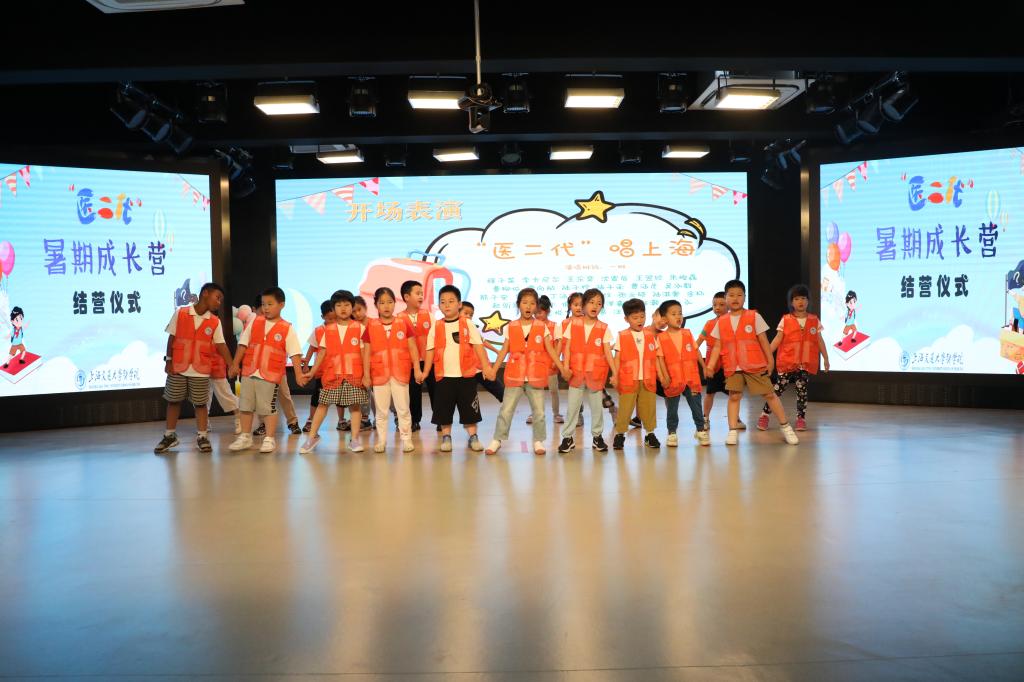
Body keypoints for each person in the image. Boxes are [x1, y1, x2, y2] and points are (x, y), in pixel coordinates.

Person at [705, 280, 799, 446]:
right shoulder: (721, 321)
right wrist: (710, 365)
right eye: (731, 295)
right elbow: (717, 346)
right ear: (726, 298)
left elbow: (763, 340)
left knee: (769, 394)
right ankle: (732, 430)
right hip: (733, 366)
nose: (735, 298)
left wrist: (770, 360)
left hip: (754, 364)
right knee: (734, 396)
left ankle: (785, 427)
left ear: (745, 297)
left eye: (739, 295)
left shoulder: (754, 316)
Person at [154, 283, 236, 454]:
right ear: (205, 293)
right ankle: (169, 435)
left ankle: (202, 436)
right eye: (217, 298)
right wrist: (169, 360)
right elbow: (172, 337)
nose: (219, 302)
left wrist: (232, 364)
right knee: (173, 401)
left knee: (200, 404)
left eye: (221, 300)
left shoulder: (214, 321)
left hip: (200, 369)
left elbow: (221, 345)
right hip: (178, 366)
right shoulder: (181, 313)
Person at [484, 288, 567, 456]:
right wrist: (493, 369)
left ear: (536, 306)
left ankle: (538, 440)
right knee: (506, 409)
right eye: (524, 303)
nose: (528, 306)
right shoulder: (511, 326)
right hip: (515, 375)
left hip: (536, 375)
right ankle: (497, 439)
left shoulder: (542, 327)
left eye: (532, 303)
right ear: (518, 305)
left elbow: (551, 350)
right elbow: (504, 350)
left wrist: (562, 367)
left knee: (539, 411)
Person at [228, 287, 308, 453]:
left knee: (268, 408)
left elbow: (294, 353)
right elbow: (243, 344)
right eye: (263, 304)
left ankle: (269, 439)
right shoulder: (255, 322)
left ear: (281, 305)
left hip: (270, 375)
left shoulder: (286, 328)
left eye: (270, 304)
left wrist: (299, 374)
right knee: (245, 406)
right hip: (249, 371)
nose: (265, 308)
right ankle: (245, 437)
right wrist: (235, 364)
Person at [417, 285, 494, 453]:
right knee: (444, 410)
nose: (447, 305)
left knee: (470, 409)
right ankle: (446, 437)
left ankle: (473, 437)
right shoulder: (436, 326)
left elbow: (478, 346)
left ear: (459, 304)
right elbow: (430, 350)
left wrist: (486, 367)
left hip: (466, 376)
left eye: (451, 301)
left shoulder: (467, 324)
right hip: (444, 376)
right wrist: (425, 372)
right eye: (443, 302)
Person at [299, 290, 371, 454]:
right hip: (332, 375)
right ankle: (311, 437)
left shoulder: (360, 328)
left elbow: (365, 354)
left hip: (354, 375)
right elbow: (322, 353)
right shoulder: (328, 330)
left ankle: (354, 439)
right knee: (322, 405)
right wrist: (312, 371)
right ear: (333, 308)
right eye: (339, 305)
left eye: (346, 305)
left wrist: (367, 375)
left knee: (355, 407)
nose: (343, 308)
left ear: (352, 307)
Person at [758, 284, 830, 432]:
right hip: (787, 362)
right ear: (791, 302)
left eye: (803, 298)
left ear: (808, 301)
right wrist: (767, 355)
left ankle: (800, 419)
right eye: (796, 299)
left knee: (802, 391)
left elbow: (819, 340)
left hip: (804, 364)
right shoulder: (786, 320)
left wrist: (826, 358)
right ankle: (764, 415)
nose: (800, 301)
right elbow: (777, 339)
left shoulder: (814, 320)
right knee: (777, 390)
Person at [557, 288, 618, 454]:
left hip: (595, 375)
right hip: (576, 373)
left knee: (597, 408)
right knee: (572, 408)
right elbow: (567, 348)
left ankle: (597, 437)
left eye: (599, 303)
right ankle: (567, 438)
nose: (595, 306)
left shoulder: (603, 328)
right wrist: (565, 367)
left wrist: (615, 373)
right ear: (583, 305)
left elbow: (608, 352)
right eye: (591, 302)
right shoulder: (573, 324)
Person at [362, 287, 420, 453]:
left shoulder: (403, 323)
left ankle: (406, 439)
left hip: (400, 373)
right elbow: (366, 352)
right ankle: (381, 440)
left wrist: (417, 369)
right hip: (379, 374)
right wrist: (366, 375)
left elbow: (413, 348)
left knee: (403, 409)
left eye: (389, 302)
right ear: (376, 305)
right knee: (381, 411)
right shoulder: (371, 325)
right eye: (382, 303)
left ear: (395, 303)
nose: (386, 306)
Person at [655, 299, 709, 447]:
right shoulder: (661, 337)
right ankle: (672, 432)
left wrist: (704, 366)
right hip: (673, 379)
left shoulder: (687, 333)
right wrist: (664, 376)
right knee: (672, 408)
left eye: (680, 313)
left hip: (691, 377)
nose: (678, 316)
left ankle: (700, 430)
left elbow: (696, 350)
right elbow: (660, 358)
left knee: (696, 405)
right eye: (673, 314)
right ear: (665, 319)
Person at [612, 298, 664, 450]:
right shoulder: (622, 335)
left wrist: (661, 376)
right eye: (635, 318)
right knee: (625, 408)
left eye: (642, 316)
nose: (640, 320)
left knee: (648, 407)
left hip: (648, 378)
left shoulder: (650, 335)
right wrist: (615, 375)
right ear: (626, 319)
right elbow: (617, 358)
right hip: (628, 379)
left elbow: (656, 357)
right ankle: (620, 434)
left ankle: (650, 434)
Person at [697, 291, 745, 431]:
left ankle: (735, 418)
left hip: (729, 365)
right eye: (714, 305)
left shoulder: (734, 323)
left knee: (734, 393)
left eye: (721, 304)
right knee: (709, 393)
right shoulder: (709, 324)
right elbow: (698, 342)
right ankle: (705, 418)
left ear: (728, 305)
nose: (717, 307)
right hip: (713, 367)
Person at [396, 280, 434, 432]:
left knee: (435, 391)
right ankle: (415, 420)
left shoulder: (429, 315)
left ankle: (440, 420)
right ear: (406, 297)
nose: (421, 296)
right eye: (417, 293)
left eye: (422, 294)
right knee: (413, 393)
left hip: (430, 361)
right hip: (410, 363)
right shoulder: (398, 318)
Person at [301, 300, 344, 432]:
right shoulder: (318, 331)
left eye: (335, 318)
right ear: (322, 317)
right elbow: (311, 348)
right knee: (317, 396)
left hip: (338, 370)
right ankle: (310, 420)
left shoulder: (341, 329)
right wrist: (306, 363)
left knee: (340, 397)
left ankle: (341, 420)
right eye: (330, 319)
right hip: (322, 371)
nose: (333, 321)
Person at [460, 300, 505, 403]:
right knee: (469, 399)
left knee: (500, 391)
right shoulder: (454, 329)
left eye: (471, 315)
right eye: (465, 313)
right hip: (468, 371)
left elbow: (483, 341)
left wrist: (496, 350)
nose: (468, 316)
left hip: (482, 368)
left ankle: (508, 406)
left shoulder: (472, 328)